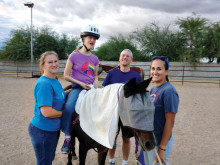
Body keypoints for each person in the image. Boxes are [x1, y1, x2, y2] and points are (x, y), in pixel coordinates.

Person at [60, 24, 101, 154]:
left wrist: (95, 82)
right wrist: (80, 83)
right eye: (89, 37)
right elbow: (65, 75)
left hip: (91, 89)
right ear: (83, 39)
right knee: (68, 108)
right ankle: (67, 139)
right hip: (78, 88)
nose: (92, 40)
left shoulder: (95, 59)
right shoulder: (73, 56)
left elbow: (95, 77)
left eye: (94, 38)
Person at [102, 49, 142, 165]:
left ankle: (124, 162)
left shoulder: (136, 76)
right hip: (113, 112)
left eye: (127, 56)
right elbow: (104, 90)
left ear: (131, 60)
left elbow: (138, 96)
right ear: (119, 59)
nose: (125, 58)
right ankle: (111, 160)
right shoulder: (111, 74)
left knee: (126, 139)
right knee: (112, 138)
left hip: (127, 114)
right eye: (123, 56)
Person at [28, 51, 67, 165]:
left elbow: (59, 95)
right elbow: (47, 112)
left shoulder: (54, 80)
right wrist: (66, 113)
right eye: (50, 62)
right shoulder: (44, 84)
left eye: (56, 61)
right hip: (43, 131)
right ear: (43, 65)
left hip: (52, 130)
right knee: (44, 162)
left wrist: (73, 91)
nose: (54, 64)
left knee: (48, 159)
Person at [144, 56, 179, 165]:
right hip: (151, 140)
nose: (155, 72)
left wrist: (162, 148)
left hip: (159, 142)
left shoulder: (169, 91)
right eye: (153, 68)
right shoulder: (153, 89)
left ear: (166, 71)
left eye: (159, 69)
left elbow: (170, 122)